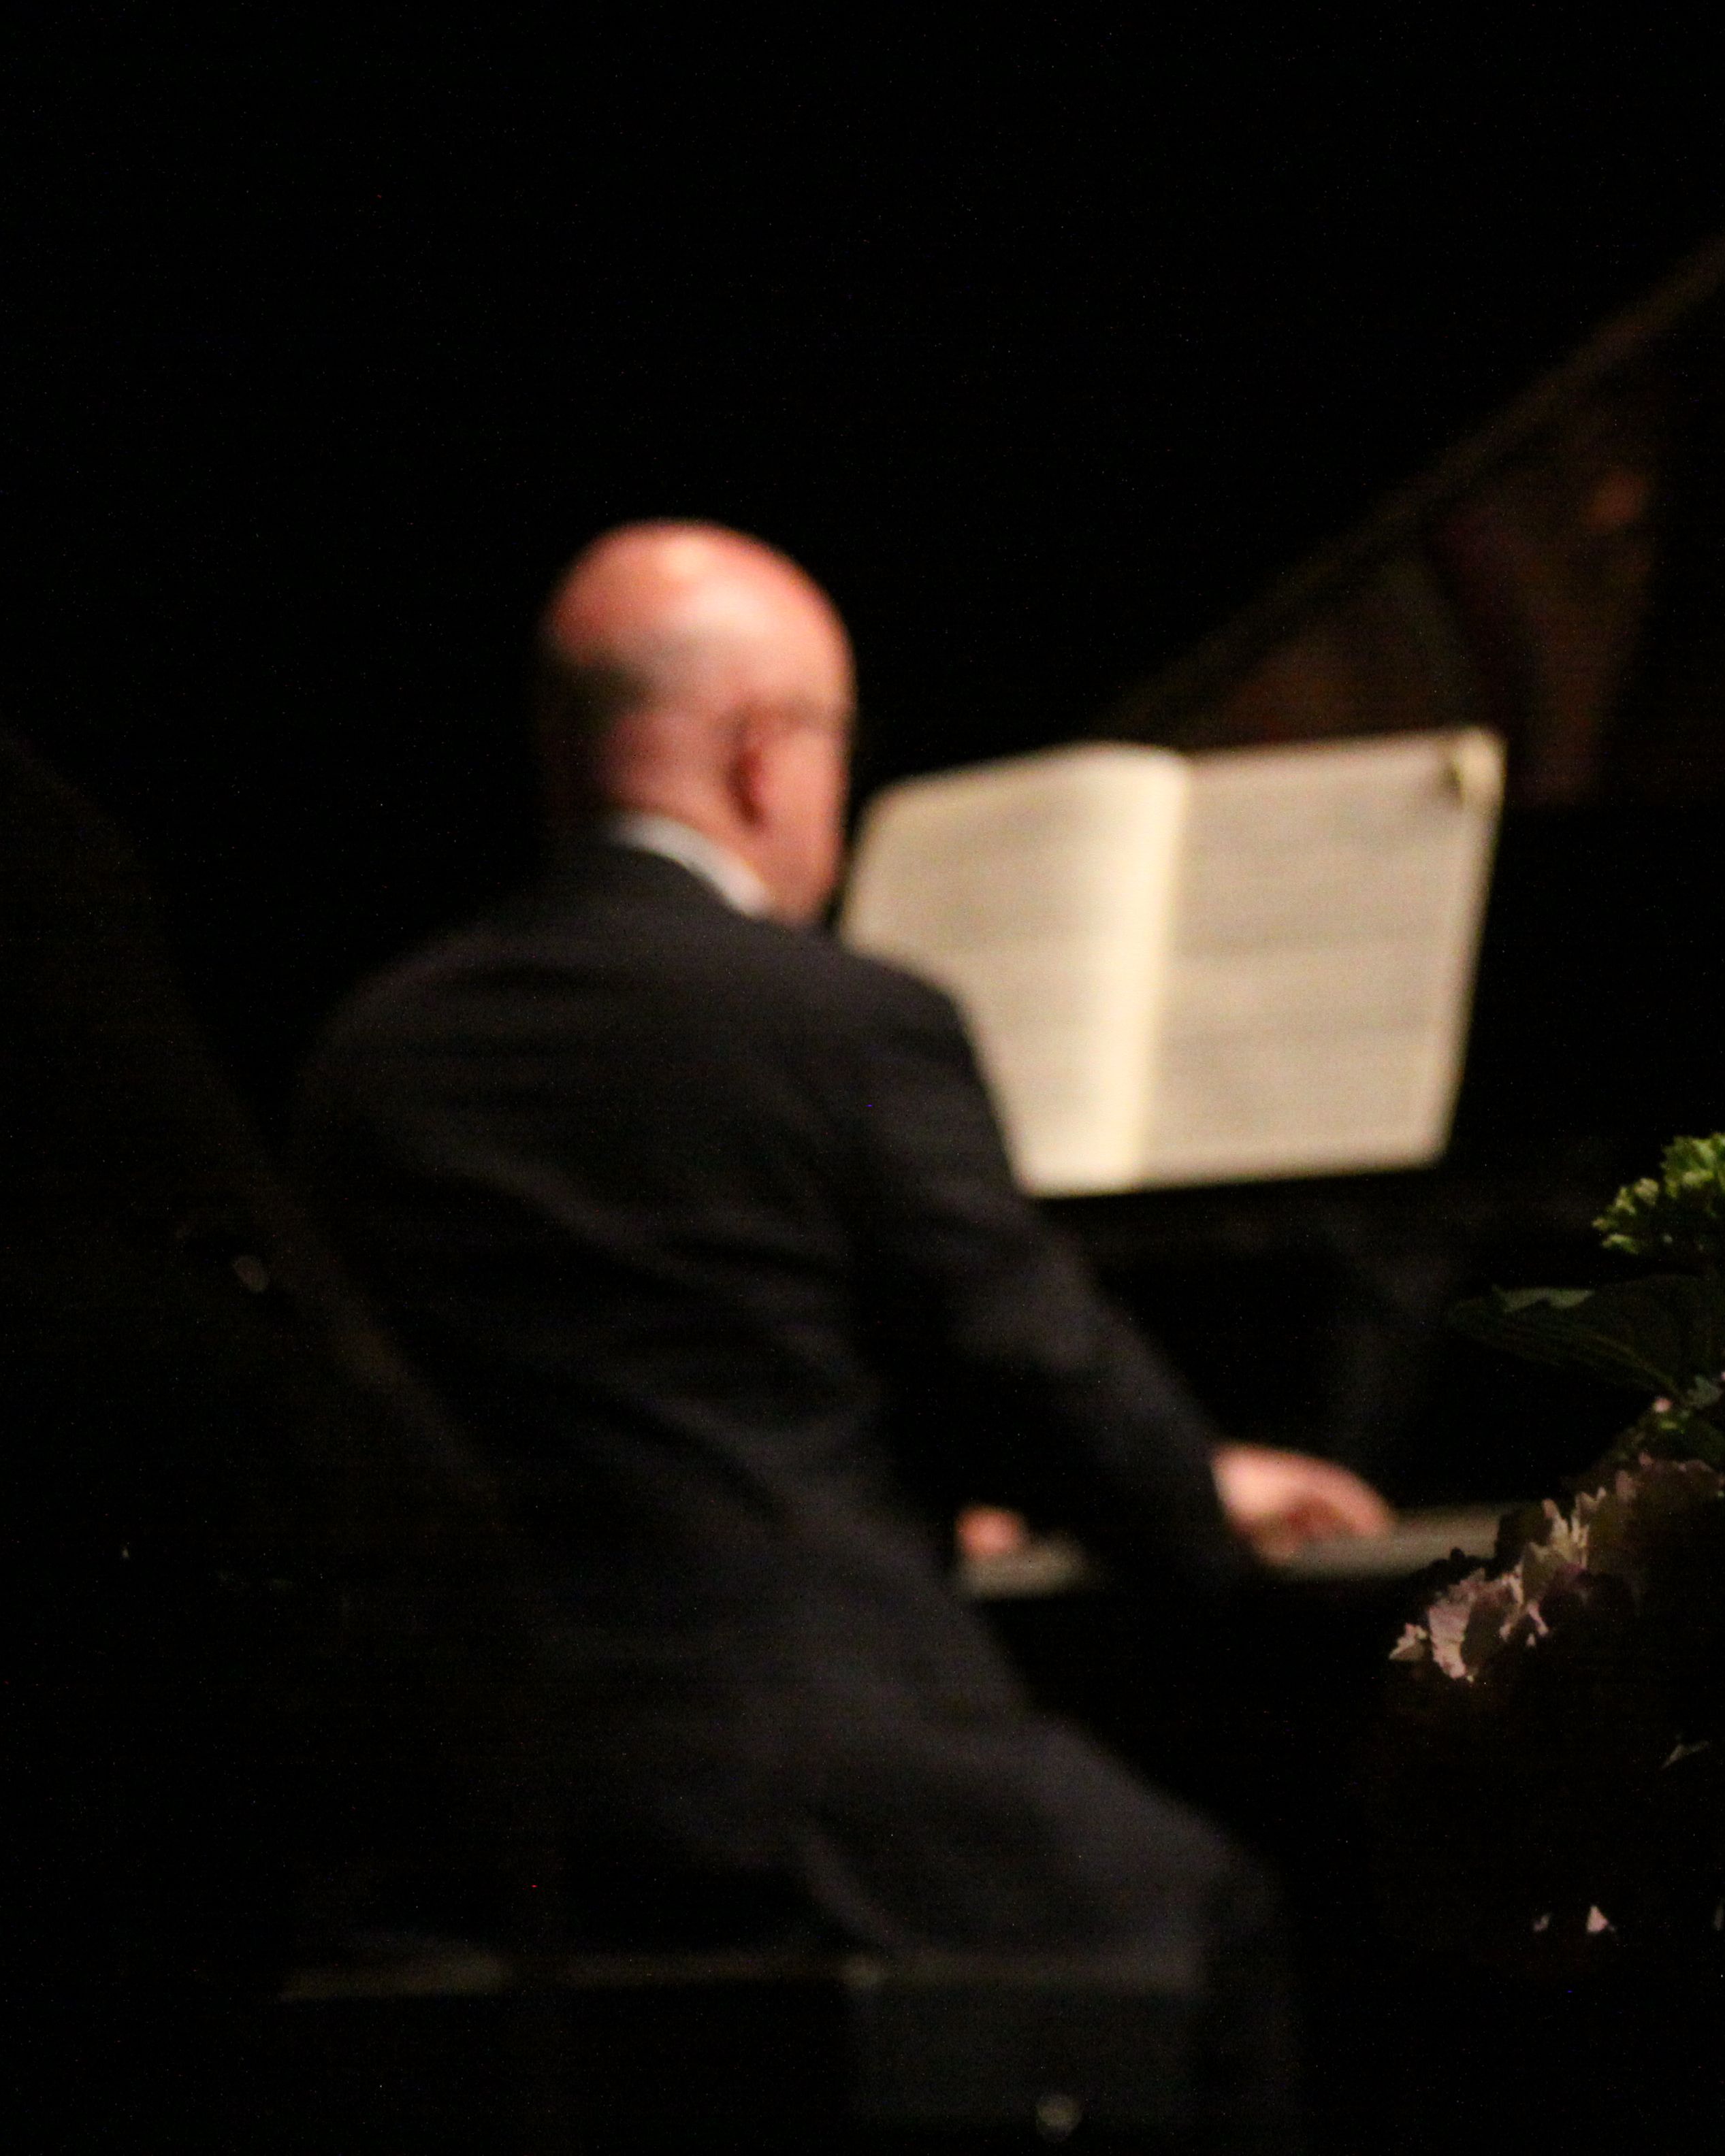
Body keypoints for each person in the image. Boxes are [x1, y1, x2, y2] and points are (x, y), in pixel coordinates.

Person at [294, 521, 1389, 2125]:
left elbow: (656, 1390)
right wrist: (1192, 1505)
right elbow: (1033, 1367)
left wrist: (921, 1485)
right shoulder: (844, 1020)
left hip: (472, 1808)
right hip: (796, 1788)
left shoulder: (372, 1055)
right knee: (1213, 1912)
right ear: (761, 758)